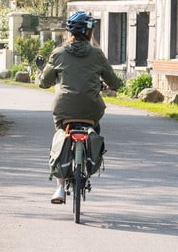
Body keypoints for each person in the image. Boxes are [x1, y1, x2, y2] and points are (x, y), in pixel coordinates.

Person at [38, 11, 119, 203]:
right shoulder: (97, 54)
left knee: (60, 134)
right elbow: (114, 82)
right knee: (95, 127)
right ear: (89, 31)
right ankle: (89, 160)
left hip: (64, 108)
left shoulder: (58, 53)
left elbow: (44, 82)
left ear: (69, 32)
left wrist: (41, 74)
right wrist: (110, 86)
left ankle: (59, 187)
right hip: (91, 108)